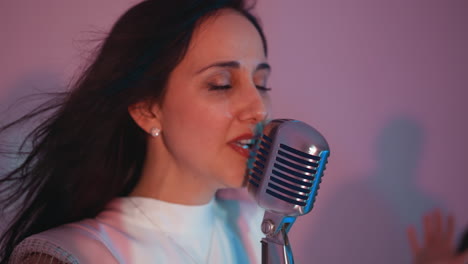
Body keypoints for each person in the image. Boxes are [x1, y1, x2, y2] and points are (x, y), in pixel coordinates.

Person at [0, 0, 272, 263]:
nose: (258, 109)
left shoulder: (260, 229)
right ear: (146, 109)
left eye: (261, 83)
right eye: (221, 83)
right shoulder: (73, 253)